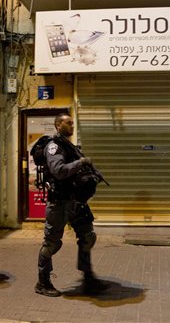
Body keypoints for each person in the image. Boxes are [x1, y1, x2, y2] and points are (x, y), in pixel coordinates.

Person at [35, 113, 107, 297]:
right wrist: (80, 162)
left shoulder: (69, 146)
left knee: (87, 236)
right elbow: (58, 171)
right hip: (59, 202)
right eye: (68, 123)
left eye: (73, 123)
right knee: (51, 244)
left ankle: (88, 278)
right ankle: (42, 282)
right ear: (58, 125)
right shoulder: (54, 147)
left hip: (76, 201)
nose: (72, 126)